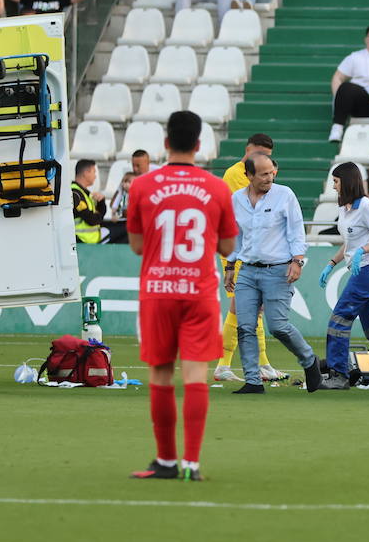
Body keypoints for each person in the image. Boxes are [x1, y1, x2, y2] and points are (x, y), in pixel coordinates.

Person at [121, 113, 233, 479]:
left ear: (165, 143)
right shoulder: (217, 188)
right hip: (199, 291)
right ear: (199, 145)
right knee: (197, 375)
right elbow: (229, 246)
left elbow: (137, 246)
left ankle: (166, 460)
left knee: (161, 374)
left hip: (158, 291)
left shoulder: (141, 186)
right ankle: (193, 463)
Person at [224, 154, 322, 394]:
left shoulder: (285, 195)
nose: (270, 177)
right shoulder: (236, 199)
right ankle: (253, 381)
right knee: (245, 326)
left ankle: (309, 360)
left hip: (278, 270)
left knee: (278, 326)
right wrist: (229, 266)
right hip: (247, 270)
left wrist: (297, 261)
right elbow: (235, 235)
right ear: (248, 176)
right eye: (264, 174)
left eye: (271, 172)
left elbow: (297, 230)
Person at [216, 134, 282, 383]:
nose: (261, 159)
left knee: (256, 309)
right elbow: (251, 210)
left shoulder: (255, 173)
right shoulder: (236, 174)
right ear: (248, 150)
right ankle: (223, 364)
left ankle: (262, 363)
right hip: (237, 248)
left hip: (250, 249)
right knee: (244, 307)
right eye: (258, 154)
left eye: (266, 156)